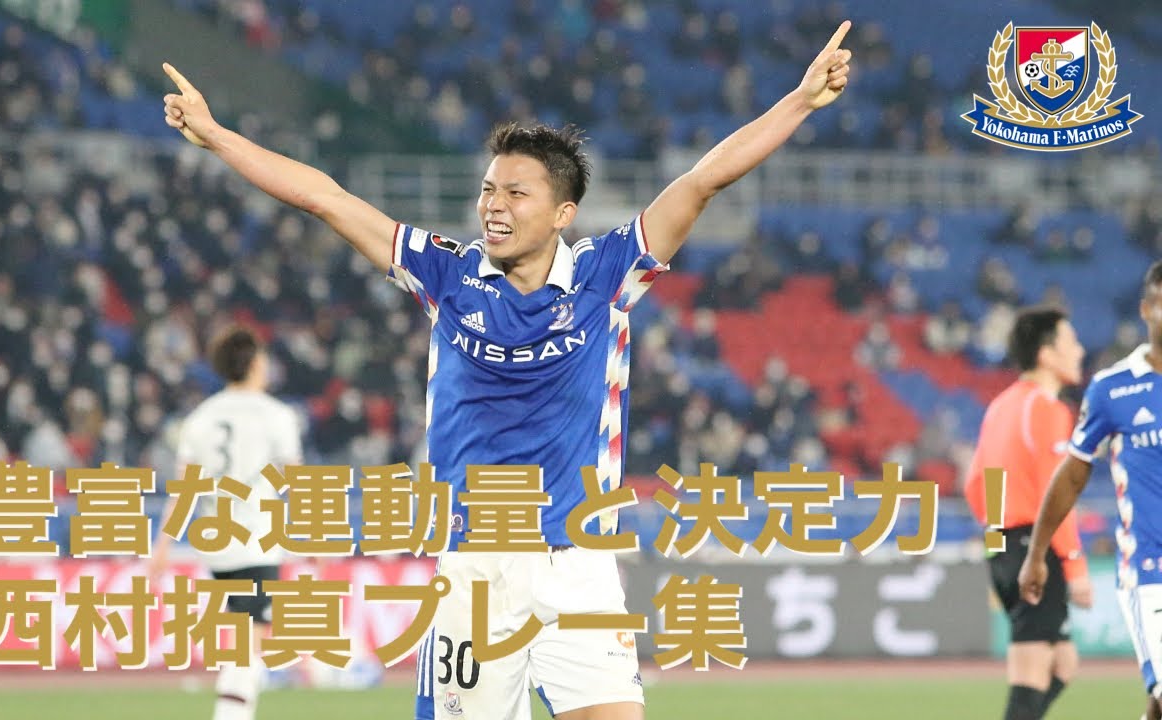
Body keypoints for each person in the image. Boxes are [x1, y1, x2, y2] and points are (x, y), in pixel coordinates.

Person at [160, 21, 852, 720]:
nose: (494, 205)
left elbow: (703, 181)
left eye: (517, 194)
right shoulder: (446, 273)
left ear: (562, 213)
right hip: (476, 566)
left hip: (578, 563)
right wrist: (217, 136)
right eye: (490, 189)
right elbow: (327, 198)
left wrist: (799, 100)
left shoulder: (606, 276)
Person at [1021, 261, 1162, 720]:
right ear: (1146, 310)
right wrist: (1037, 552)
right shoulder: (1113, 389)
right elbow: (1072, 475)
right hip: (1151, 570)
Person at [148, 326, 303, 720]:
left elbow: (186, 490)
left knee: (243, 641)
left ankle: (232, 710)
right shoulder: (277, 415)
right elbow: (298, 483)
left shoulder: (200, 418)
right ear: (254, 363)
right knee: (249, 649)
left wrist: (162, 546)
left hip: (216, 545)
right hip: (257, 541)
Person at [963, 306, 1090, 720]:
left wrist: (996, 540)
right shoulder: (1048, 409)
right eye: (1071, 342)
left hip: (1003, 543)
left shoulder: (1000, 406)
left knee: (1063, 663)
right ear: (1046, 354)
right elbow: (1058, 495)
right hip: (1033, 550)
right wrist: (1074, 565)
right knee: (1031, 676)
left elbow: (975, 483)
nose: (1080, 350)